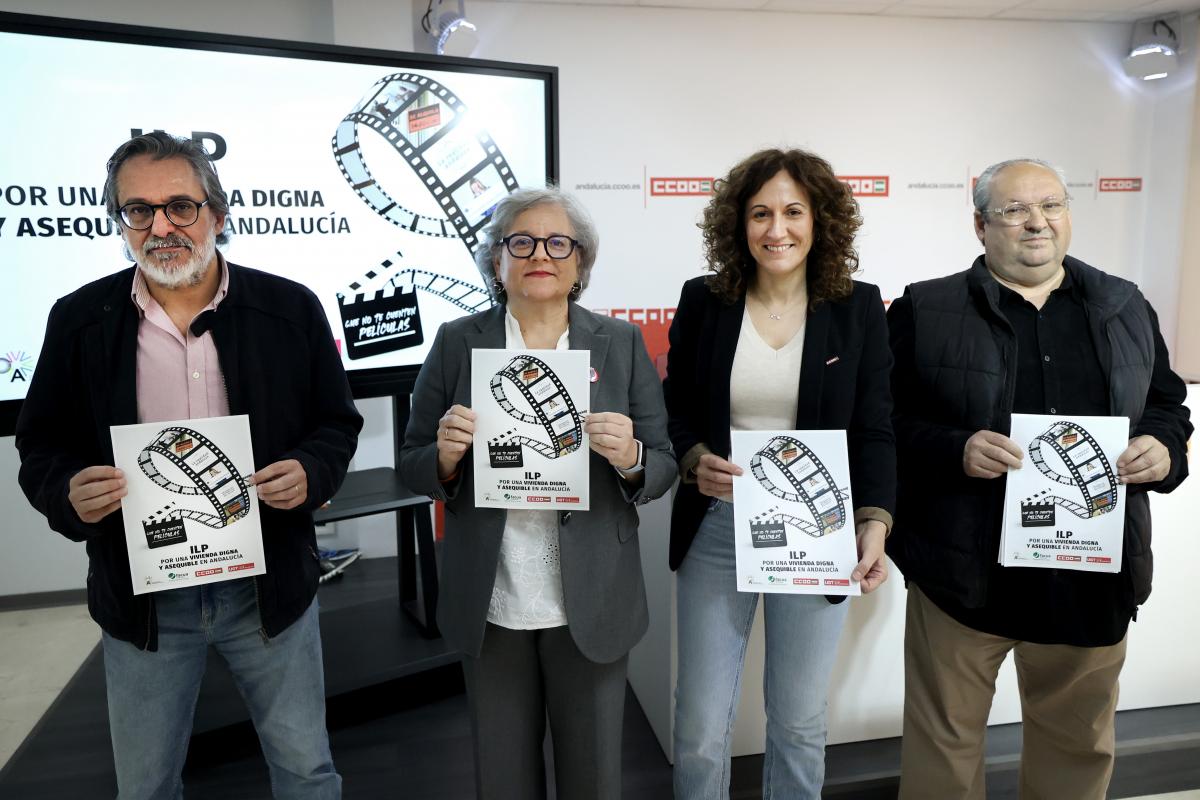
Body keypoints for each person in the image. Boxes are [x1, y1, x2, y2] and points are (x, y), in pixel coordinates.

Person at [15, 131, 362, 799]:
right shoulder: (80, 319)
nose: (161, 226)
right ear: (120, 223)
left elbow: (335, 423)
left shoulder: (290, 310)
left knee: (306, 773)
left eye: (180, 205)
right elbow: (41, 445)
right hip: (144, 599)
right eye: (137, 210)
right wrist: (65, 491)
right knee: (145, 788)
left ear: (218, 214)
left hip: (268, 589)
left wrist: (311, 471)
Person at [887, 158, 1192, 800]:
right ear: (979, 225)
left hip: (1091, 575)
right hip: (963, 577)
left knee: (1076, 749)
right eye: (1015, 210)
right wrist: (954, 448)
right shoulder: (926, 307)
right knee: (943, 752)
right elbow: (884, 423)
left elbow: (1166, 405)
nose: (1037, 222)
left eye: (1051, 205)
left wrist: (1162, 449)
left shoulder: (1123, 303)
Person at [398, 186, 675, 800]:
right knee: (502, 777)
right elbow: (411, 463)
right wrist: (443, 458)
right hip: (492, 595)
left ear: (581, 263)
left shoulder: (621, 343)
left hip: (594, 594)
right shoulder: (458, 341)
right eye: (519, 242)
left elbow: (663, 467)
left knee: (595, 777)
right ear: (497, 261)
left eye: (558, 243)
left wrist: (631, 457)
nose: (538, 254)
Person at [664, 148, 896, 799]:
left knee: (798, 722)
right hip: (718, 524)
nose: (777, 228)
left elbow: (875, 429)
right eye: (761, 212)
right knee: (701, 727)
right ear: (739, 223)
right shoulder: (705, 301)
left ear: (820, 221)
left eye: (794, 211)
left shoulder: (857, 308)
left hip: (816, 529)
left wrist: (875, 520)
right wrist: (692, 459)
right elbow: (675, 409)